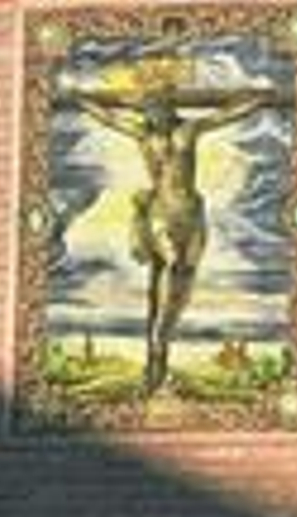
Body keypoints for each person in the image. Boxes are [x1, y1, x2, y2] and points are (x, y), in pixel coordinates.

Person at [75, 82, 278, 395]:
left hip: (191, 214)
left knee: (178, 283)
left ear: (170, 108)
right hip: (161, 213)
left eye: (160, 108)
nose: (154, 114)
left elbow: (226, 115)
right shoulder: (144, 134)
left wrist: (260, 100)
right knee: (172, 270)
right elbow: (107, 118)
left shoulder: (189, 130)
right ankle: (157, 350)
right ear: (147, 111)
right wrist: (80, 98)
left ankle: (158, 354)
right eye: (149, 109)